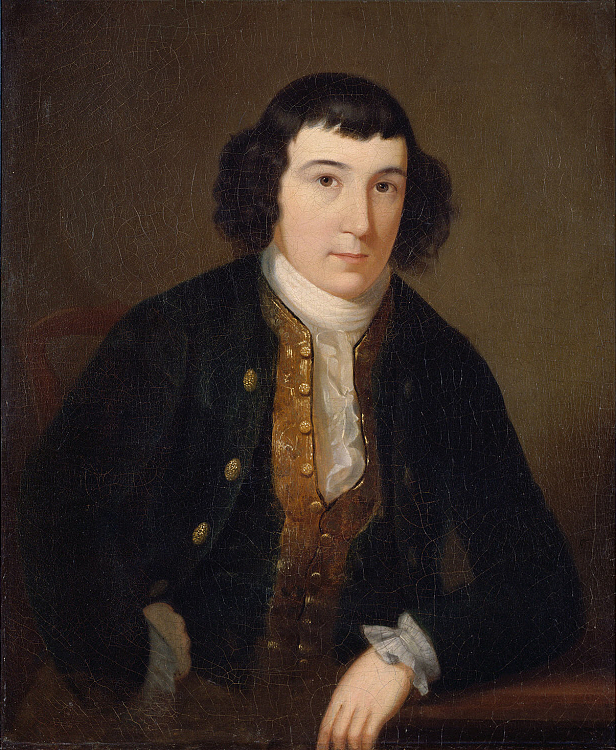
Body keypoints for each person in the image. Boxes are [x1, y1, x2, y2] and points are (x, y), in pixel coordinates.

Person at [19, 73, 583, 749]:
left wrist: (407, 654)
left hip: (361, 728)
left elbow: (544, 587)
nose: (360, 222)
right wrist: (134, 656)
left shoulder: (441, 364)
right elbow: (58, 518)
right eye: (326, 180)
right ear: (269, 187)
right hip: (175, 714)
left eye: (385, 186)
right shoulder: (175, 331)